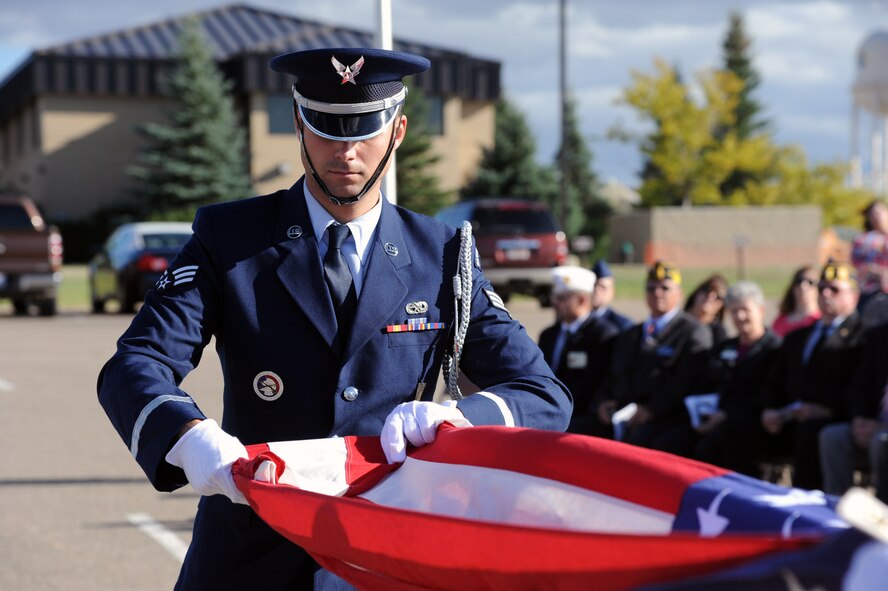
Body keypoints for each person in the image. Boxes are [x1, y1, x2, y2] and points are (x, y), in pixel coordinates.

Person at [97, 47, 571, 591]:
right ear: (299, 123)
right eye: (327, 128)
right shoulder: (231, 239)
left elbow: (542, 392)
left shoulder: (442, 255)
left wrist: (460, 420)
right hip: (253, 545)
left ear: (398, 131)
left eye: (365, 130)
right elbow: (137, 363)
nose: (346, 151)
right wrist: (189, 436)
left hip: (385, 548)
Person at [760, 261, 866, 490]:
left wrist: (827, 410)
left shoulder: (862, 337)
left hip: (831, 417)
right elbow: (774, 379)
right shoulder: (799, 337)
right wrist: (770, 409)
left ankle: (807, 512)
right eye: (822, 288)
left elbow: (860, 384)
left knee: (811, 431)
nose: (825, 294)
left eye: (834, 289)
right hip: (789, 416)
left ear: (854, 296)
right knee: (739, 426)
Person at [593, 261, 712, 453]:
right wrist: (603, 401)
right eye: (651, 288)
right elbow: (613, 373)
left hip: (668, 416)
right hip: (624, 413)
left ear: (679, 294)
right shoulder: (631, 334)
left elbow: (685, 382)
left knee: (638, 445)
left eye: (665, 288)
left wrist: (651, 410)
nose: (657, 293)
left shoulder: (693, 333)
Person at [692, 281, 783, 474]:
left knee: (717, 442)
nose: (740, 317)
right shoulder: (725, 348)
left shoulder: (775, 349)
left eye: (745, 310)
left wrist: (727, 415)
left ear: (761, 310)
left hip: (754, 423)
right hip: (718, 418)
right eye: (734, 311)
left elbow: (769, 393)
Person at [538, 266, 618, 436]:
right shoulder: (549, 335)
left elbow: (596, 385)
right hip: (547, 410)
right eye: (555, 297)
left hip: (582, 414)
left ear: (581, 300)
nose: (555, 303)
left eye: (561, 298)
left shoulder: (603, 335)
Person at [819, 321, 888, 499]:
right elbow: (859, 386)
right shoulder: (878, 336)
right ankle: (836, 508)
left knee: (882, 442)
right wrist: (859, 419)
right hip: (875, 422)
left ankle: (881, 516)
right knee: (833, 437)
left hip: (883, 433)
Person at [851, 199, 888, 313]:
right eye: (872, 214)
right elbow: (857, 266)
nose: (877, 217)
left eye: (879, 212)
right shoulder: (862, 240)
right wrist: (877, 272)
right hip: (870, 293)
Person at [771, 265, 821, 338]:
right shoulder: (780, 320)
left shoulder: (820, 321)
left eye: (810, 282)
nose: (803, 286)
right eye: (799, 281)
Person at [684, 274, 729, 347]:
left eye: (718, 297)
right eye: (707, 290)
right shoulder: (675, 322)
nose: (710, 297)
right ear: (697, 292)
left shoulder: (718, 333)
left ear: (721, 306)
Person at [590, 259, 634, 333]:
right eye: (593, 285)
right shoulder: (576, 320)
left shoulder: (621, 325)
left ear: (612, 291)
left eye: (603, 287)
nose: (597, 291)